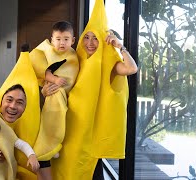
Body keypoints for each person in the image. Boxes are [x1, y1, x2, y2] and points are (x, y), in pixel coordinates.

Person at [42, 0, 137, 179]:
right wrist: (45, 91)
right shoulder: (74, 58)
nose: (90, 42)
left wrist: (120, 47)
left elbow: (131, 69)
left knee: (88, 171)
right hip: (67, 127)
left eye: (96, 37)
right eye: (87, 37)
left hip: (89, 134)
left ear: (103, 40)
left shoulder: (109, 64)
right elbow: (53, 84)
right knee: (63, 170)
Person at [29, 21, 79, 180]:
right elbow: (39, 65)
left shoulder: (73, 56)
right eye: (58, 39)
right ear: (51, 40)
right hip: (53, 94)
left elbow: (71, 75)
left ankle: (51, 144)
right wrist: (53, 79)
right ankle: (50, 143)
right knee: (52, 110)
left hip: (67, 96)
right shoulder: (46, 50)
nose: (61, 43)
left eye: (66, 39)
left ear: (73, 40)